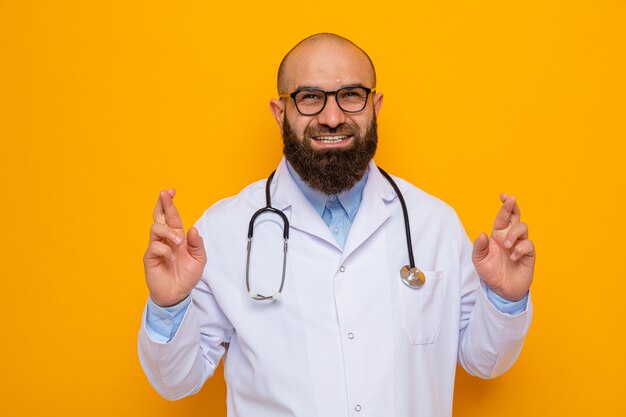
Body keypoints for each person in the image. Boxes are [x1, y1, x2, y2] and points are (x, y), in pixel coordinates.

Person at [138, 33, 535, 417]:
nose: (332, 118)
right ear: (280, 113)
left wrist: (504, 299)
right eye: (310, 97)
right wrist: (168, 306)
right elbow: (175, 381)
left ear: (375, 105)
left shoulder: (433, 223)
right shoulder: (224, 231)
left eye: (350, 95)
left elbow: (485, 362)